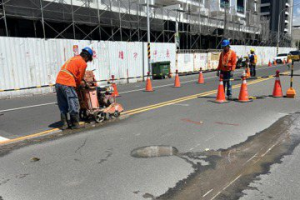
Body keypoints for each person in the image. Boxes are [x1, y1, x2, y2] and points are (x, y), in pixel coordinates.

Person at [55, 47, 93, 129]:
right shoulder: (83, 62)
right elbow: (79, 78)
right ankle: (75, 124)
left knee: (63, 104)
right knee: (73, 102)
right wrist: (79, 86)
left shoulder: (74, 58)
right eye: (88, 59)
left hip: (58, 82)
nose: (87, 61)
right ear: (86, 57)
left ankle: (64, 124)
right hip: (67, 82)